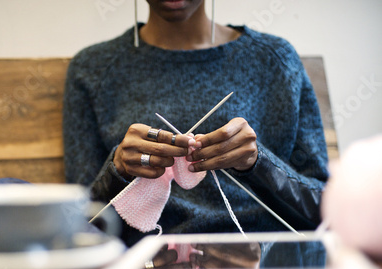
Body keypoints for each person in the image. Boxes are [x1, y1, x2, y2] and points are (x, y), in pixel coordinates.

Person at [63, 0, 329, 247]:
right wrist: (117, 171)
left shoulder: (275, 60)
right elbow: (76, 223)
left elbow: (322, 210)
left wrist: (259, 163)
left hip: (261, 265)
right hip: (145, 268)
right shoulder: (93, 69)